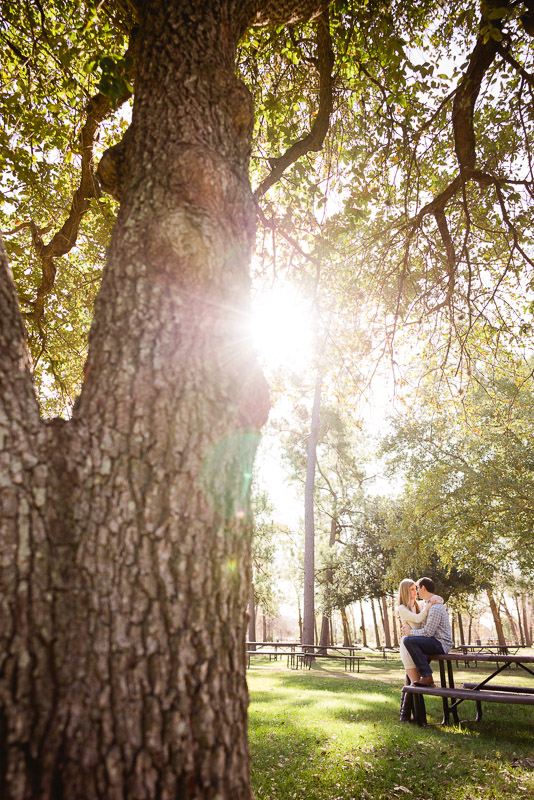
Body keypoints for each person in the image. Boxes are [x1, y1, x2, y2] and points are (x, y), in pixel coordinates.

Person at [396, 578, 444, 722]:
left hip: (417, 648)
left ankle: (405, 716)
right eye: (411, 589)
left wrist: (434, 599)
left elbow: (438, 599)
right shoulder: (402, 608)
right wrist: (429, 606)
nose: (415, 591)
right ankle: (419, 717)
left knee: (411, 683)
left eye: (415, 588)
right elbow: (417, 619)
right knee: (416, 683)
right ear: (405, 591)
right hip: (408, 648)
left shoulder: (418, 604)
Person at [401, 577, 454, 692]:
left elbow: (428, 633)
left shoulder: (435, 607)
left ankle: (427, 676)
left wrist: (410, 632)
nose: (417, 592)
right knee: (411, 676)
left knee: (408, 640)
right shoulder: (427, 604)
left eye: (418, 589)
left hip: (440, 643)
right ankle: (405, 709)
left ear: (423, 588)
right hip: (431, 642)